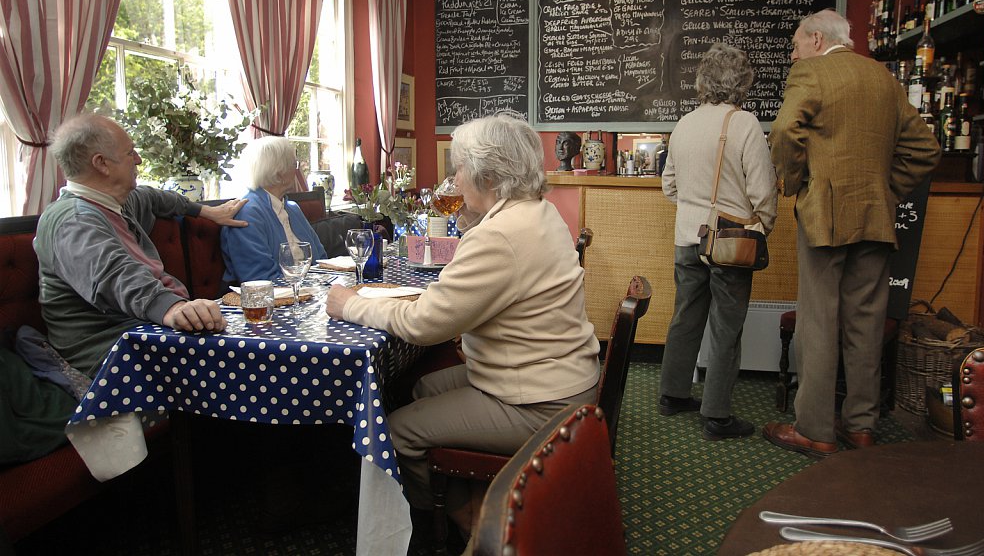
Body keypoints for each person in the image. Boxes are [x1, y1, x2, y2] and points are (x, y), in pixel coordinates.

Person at [326, 111, 599, 540]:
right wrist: (473, 221)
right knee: (417, 388)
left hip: (538, 402)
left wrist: (350, 304)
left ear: (487, 177)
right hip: (557, 377)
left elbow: (421, 324)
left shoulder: (501, 236)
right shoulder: (536, 213)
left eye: (460, 169)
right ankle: (460, 486)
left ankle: (467, 521)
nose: (455, 179)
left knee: (397, 432)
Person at [763, 10, 940, 457]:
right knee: (866, 321)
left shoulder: (812, 71)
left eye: (797, 43)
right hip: (875, 217)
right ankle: (860, 426)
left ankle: (815, 430)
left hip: (825, 215)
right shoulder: (884, 79)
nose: (793, 52)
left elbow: (784, 130)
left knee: (819, 319)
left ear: (818, 40)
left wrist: (796, 184)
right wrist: (885, 191)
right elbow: (926, 149)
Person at [34, 114, 248, 377]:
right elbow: (115, 277)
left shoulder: (118, 201)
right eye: (130, 153)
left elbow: (154, 197)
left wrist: (206, 211)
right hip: (109, 347)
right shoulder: (74, 220)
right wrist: (173, 307)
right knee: (244, 365)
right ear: (101, 163)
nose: (138, 160)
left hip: (146, 327)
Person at [658, 43, 778, 440]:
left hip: (685, 237)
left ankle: (673, 394)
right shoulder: (744, 124)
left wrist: (693, 209)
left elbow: (669, 185)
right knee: (726, 326)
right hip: (728, 239)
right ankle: (717, 416)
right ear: (742, 81)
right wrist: (763, 225)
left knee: (685, 316)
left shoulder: (685, 123)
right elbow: (763, 191)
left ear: (703, 80)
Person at [220, 136, 327, 283]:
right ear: (279, 174)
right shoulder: (247, 213)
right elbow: (259, 279)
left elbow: (321, 259)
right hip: (269, 301)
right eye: (294, 164)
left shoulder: (293, 208)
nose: (297, 171)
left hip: (309, 293)